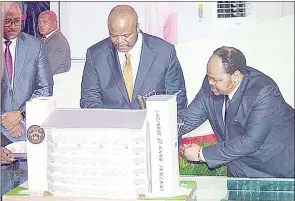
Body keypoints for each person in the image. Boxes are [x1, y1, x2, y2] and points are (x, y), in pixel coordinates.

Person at [179, 46, 294, 178]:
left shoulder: (264, 92)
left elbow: (250, 142)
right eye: (208, 77)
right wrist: (157, 126)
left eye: (216, 79)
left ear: (235, 77)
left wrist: (202, 154)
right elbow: (187, 120)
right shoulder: (211, 85)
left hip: (272, 169)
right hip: (238, 169)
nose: (210, 82)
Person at [80, 5, 187, 110]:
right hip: (112, 125)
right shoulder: (96, 55)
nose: (120, 41)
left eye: (126, 36)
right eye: (113, 36)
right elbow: (89, 101)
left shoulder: (164, 52)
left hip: (154, 125)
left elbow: (177, 100)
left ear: (137, 27)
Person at [1, 2, 53, 145]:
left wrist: (20, 114)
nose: (13, 26)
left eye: (17, 21)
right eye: (7, 21)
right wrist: (5, 120)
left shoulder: (36, 46)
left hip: (27, 127)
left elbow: (45, 88)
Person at [38, 10, 71, 75]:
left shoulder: (58, 43)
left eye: (45, 22)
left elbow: (45, 70)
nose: (41, 25)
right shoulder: (47, 39)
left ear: (55, 23)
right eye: (39, 22)